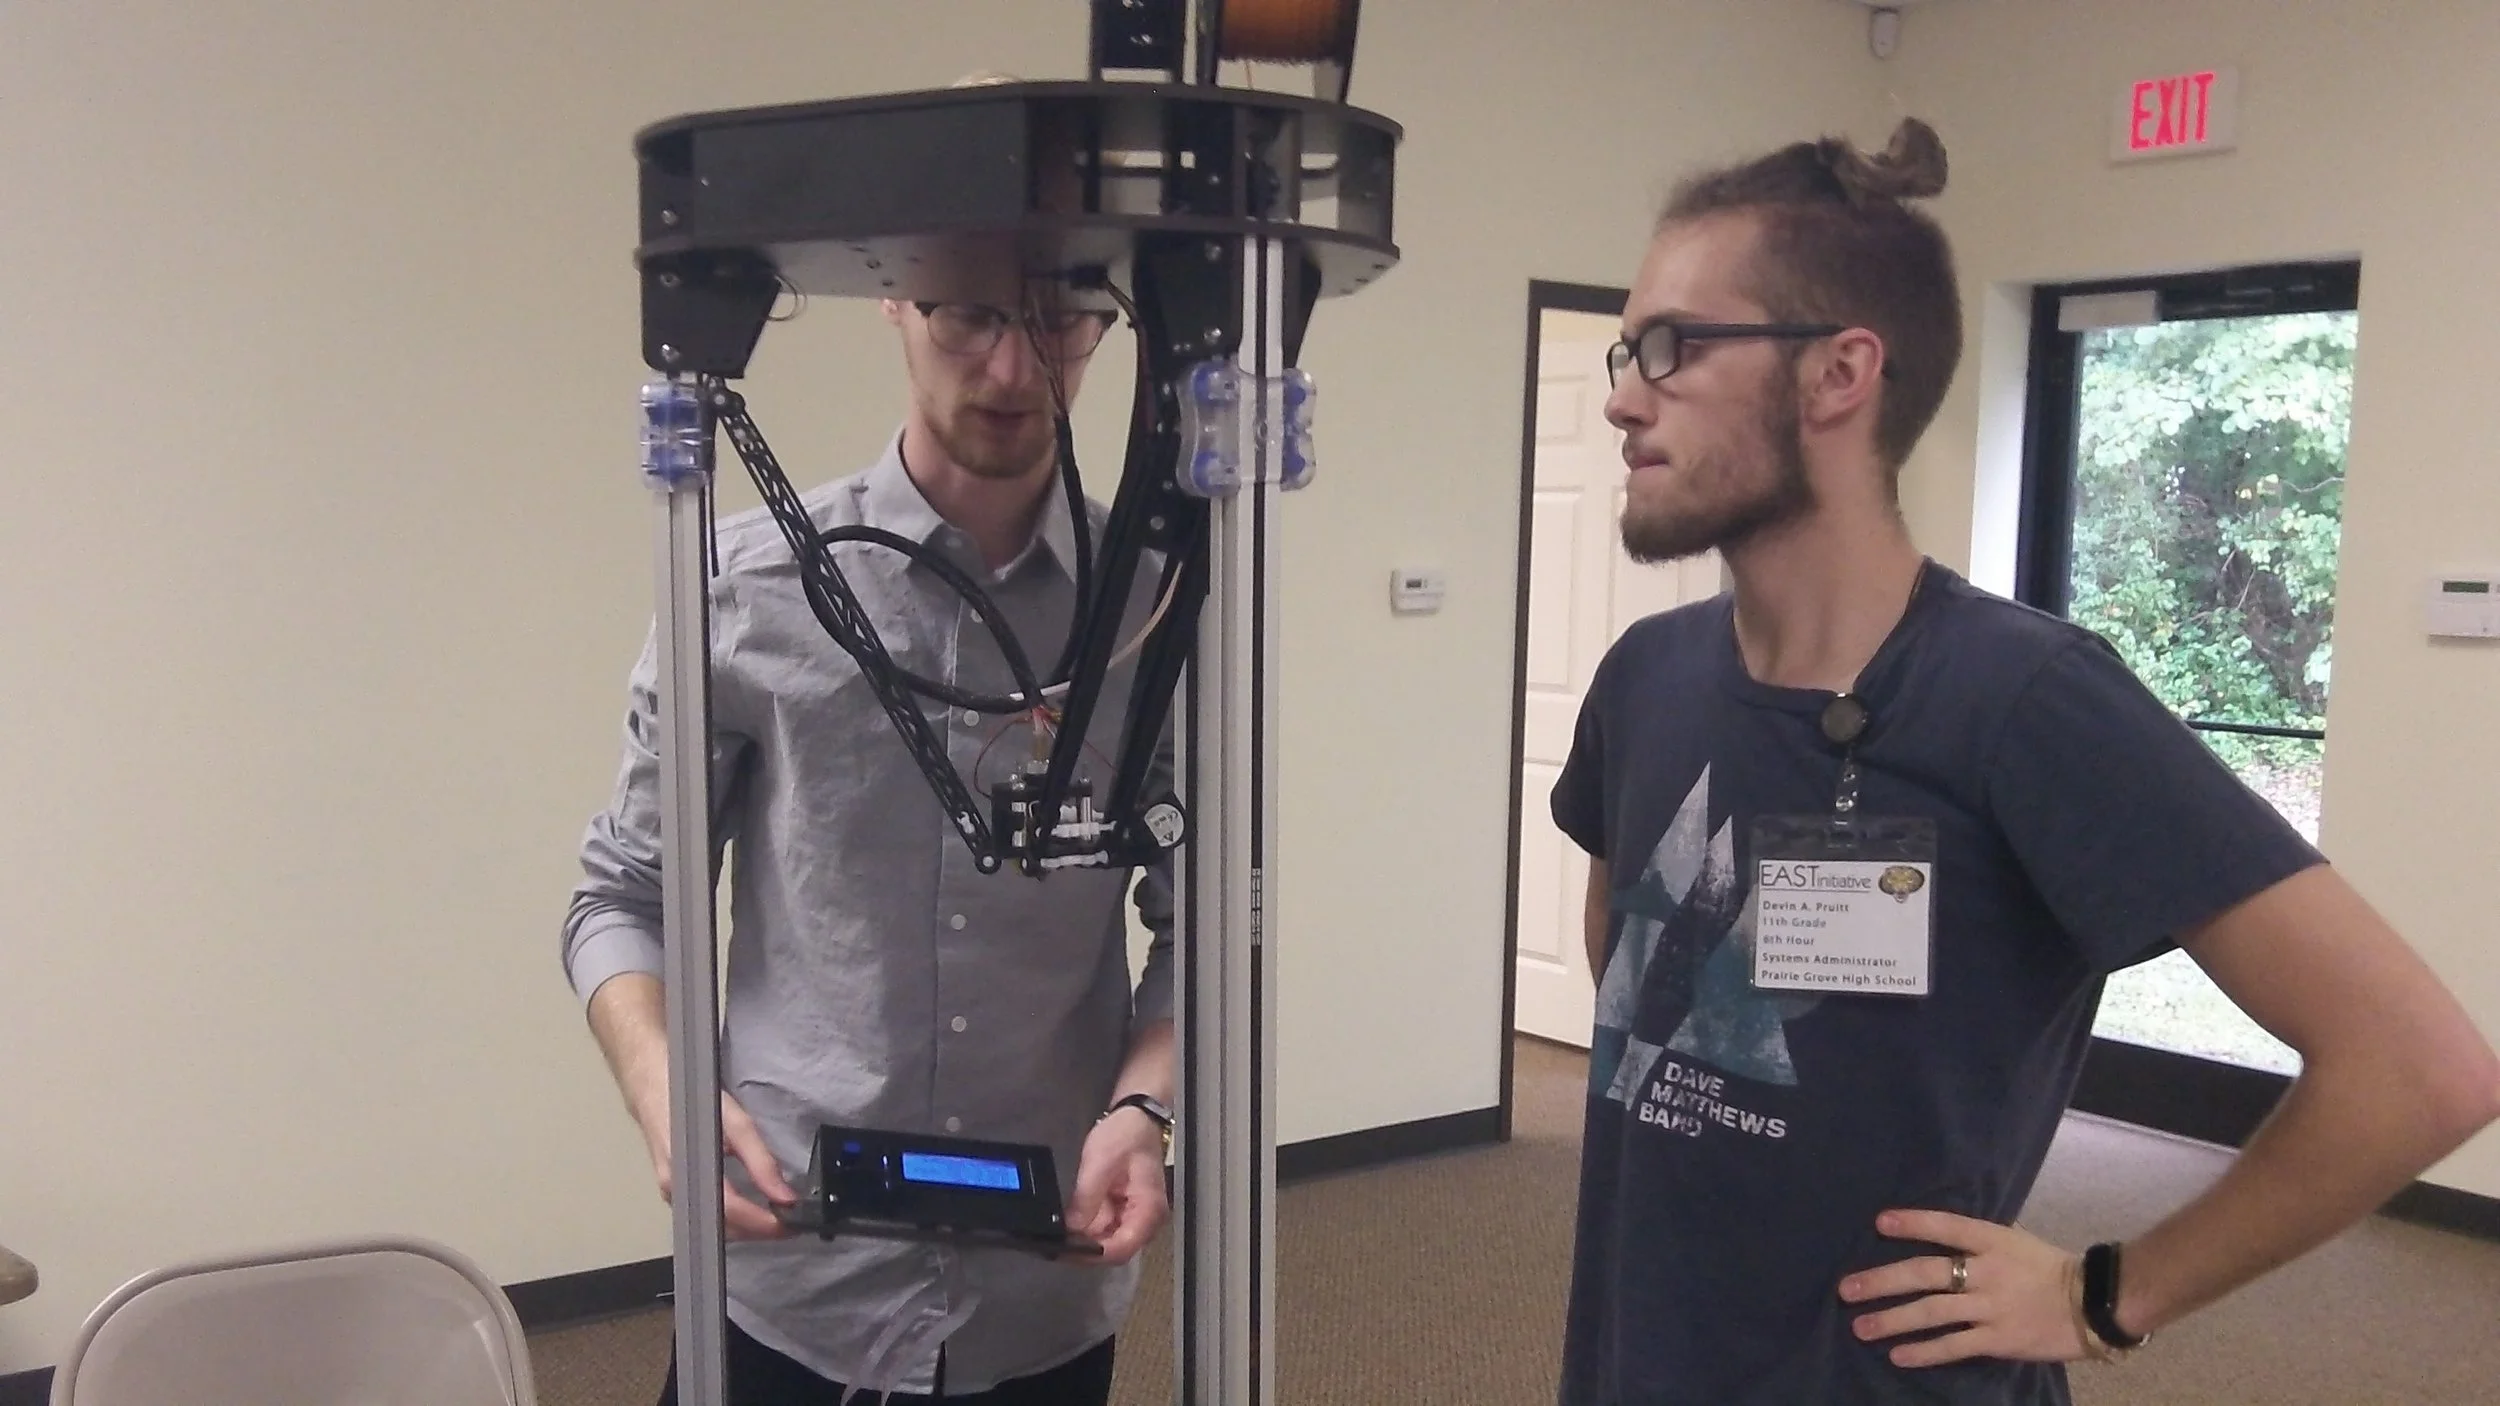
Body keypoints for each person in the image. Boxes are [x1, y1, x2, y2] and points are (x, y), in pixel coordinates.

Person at [1550, 117, 2500, 1405]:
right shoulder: (1646, 677)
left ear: (1837, 374)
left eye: (1669, 347)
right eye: (1624, 351)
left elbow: (2420, 1070)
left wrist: (2105, 1296)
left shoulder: (2024, 698)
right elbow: (1625, 958)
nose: (1620, 393)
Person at [563, 278, 1179, 1405]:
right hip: (792, 1279)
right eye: (973, 312)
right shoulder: (746, 589)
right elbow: (621, 896)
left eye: (1058, 317)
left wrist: (1146, 1106)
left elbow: (1213, 920)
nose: (1011, 370)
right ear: (893, 294)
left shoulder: (1154, 612)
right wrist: (667, 1093)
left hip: (1042, 1289)